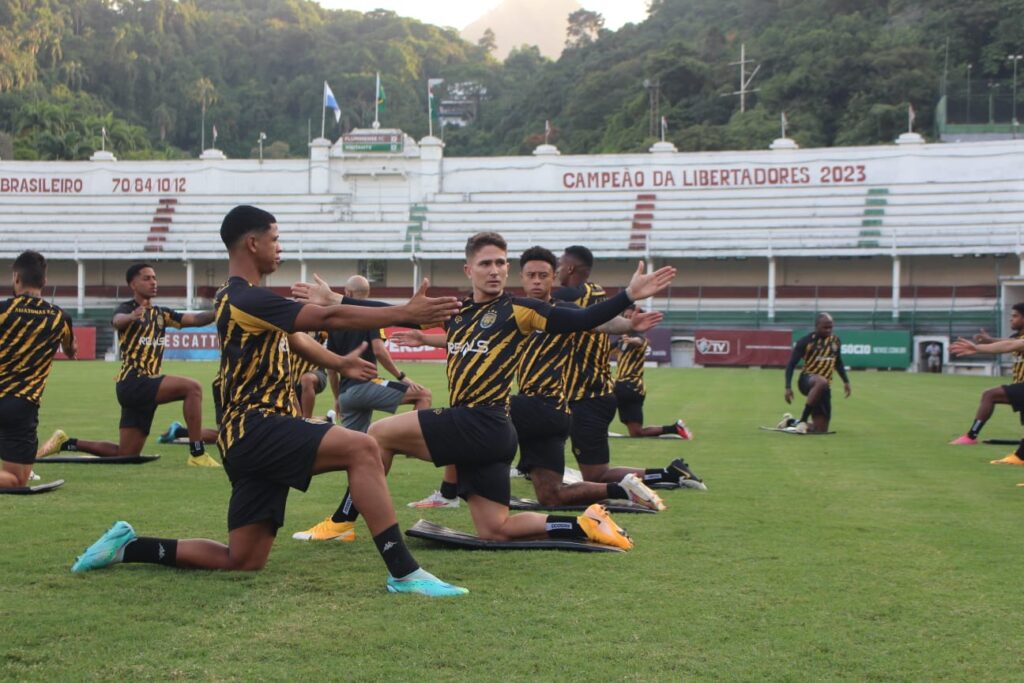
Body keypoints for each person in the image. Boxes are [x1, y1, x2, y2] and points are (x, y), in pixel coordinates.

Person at [70, 205, 468, 597]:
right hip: (258, 426)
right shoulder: (244, 298)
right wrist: (406, 312)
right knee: (363, 446)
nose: (280, 248)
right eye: (276, 239)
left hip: (247, 437)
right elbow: (324, 320)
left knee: (242, 558)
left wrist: (340, 363)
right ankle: (404, 570)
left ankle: (128, 546)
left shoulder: (246, 300)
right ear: (252, 242)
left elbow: (298, 340)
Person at [292, 232, 678, 550]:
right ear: (469, 269)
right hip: (492, 434)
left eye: (501, 263)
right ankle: (583, 525)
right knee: (495, 529)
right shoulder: (459, 314)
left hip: (480, 420)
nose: (495, 271)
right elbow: (395, 309)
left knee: (377, 435)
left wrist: (627, 296)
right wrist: (338, 301)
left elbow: (581, 320)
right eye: (486, 264)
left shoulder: (520, 309)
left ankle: (343, 520)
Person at [397, 246, 668, 512]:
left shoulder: (559, 310)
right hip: (552, 414)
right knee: (551, 496)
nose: (537, 280)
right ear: (521, 277)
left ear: (554, 278)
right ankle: (622, 489)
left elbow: (594, 321)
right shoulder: (511, 312)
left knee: (470, 416)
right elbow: (473, 339)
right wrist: (424, 337)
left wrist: (629, 323)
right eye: (531, 275)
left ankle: (449, 493)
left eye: (544, 275)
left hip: (542, 404)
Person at [290, 275, 435, 540]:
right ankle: (414, 445)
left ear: (346, 291)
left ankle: (343, 523)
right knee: (422, 394)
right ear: (367, 293)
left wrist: (337, 398)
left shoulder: (335, 321)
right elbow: (379, 350)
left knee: (357, 458)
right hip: (366, 385)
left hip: (346, 395)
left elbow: (335, 366)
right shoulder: (370, 314)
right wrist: (402, 377)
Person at [37, 263, 221, 467]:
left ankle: (66, 443)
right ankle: (197, 454)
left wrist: (218, 311)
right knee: (192, 388)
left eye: (155, 278)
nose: (153, 282)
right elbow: (117, 321)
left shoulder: (162, 314)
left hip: (141, 388)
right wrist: (131, 317)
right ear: (133, 284)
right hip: (135, 381)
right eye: (147, 278)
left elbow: (195, 319)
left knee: (125, 453)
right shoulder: (127, 309)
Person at [554, 245, 704, 488]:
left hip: (586, 395)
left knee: (596, 476)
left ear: (570, 268)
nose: (555, 272)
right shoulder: (597, 291)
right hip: (591, 392)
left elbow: (563, 307)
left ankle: (670, 473)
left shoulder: (568, 296)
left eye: (559, 266)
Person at [0, 251, 76, 489]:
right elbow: (71, 350)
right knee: (15, 480)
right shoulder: (60, 318)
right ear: (44, 282)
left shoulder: (3, 310)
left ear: (16, 278)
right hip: (21, 404)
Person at [612, 304, 692, 439]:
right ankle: (674, 428)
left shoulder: (639, 338)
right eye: (625, 317)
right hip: (632, 389)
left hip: (628, 386)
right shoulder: (622, 340)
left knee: (596, 393)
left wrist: (632, 339)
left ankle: (585, 427)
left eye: (631, 317)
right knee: (637, 433)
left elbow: (639, 341)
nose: (627, 319)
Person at [949, 305, 1024, 445]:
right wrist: (990, 340)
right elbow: (1009, 342)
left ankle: (971, 436)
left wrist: (977, 348)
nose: (1011, 319)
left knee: (990, 395)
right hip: (1020, 386)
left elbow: (1009, 345)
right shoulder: (1017, 338)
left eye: (1015, 316)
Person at [779, 312, 851, 434]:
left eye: (831, 327)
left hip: (824, 388)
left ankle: (790, 422)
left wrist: (846, 381)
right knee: (820, 381)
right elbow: (791, 364)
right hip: (807, 380)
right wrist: (787, 387)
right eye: (825, 327)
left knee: (820, 430)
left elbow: (838, 362)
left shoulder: (835, 342)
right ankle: (803, 420)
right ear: (816, 326)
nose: (829, 330)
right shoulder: (806, 342)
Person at [290, 331, 329, 418]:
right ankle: (327, 419)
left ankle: (306, 420)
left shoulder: (320, 329)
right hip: (292, 378)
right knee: (294, 419)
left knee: (307, 379)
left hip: (315, 372)